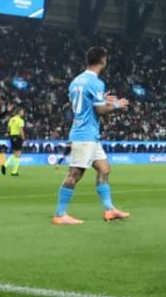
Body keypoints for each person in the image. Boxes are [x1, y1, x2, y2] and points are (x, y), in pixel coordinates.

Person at [52, 47, 131, 224]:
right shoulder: (96, 82)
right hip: (84, 135)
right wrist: (116, 105)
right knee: (75, 173)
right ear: (102, 60)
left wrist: (102, 98)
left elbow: (81, 104)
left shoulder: (76, 81)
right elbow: (99, 110)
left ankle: (109, 210)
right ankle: (60, 214)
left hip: (89, 135)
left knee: (104, 169)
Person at [4, 105, 26, 176]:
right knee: (18, 154)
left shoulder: (11, 119)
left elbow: (8, 128)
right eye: (22, 111)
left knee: (15, 154)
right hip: (18, 136)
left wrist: (8, 134)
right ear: (19, 112)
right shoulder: (20, 120)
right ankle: (5, 165)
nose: (23, 113)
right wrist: (23, 138)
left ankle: (14, 172)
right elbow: (21, 130)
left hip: (11, 136)